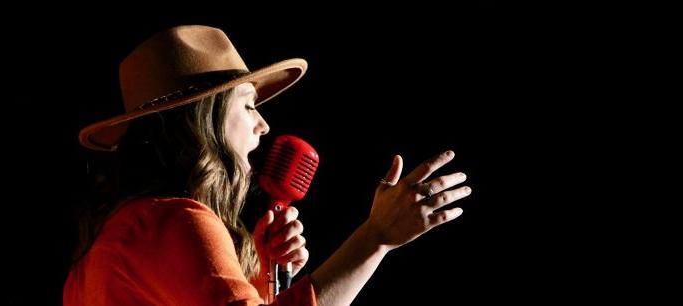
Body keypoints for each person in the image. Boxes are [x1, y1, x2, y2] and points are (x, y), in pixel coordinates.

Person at [64, 25, 472, 306]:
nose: (263, 125)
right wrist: (376, 237)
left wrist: (256, 275)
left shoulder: (111, 240)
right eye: (247, 104)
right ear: (200, 119)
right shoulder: (176, 220)